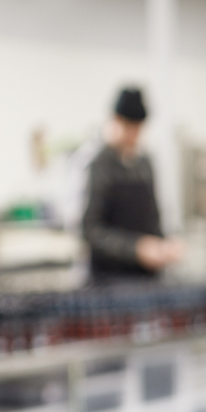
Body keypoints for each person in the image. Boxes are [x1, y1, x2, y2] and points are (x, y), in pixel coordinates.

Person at [82, 86, 182, 281]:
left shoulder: (145, 164)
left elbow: (153, 217)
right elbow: (90, 231)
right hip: (109, 280)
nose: (134, 135)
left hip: (146, 279)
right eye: (130, 127)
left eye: (139, 128)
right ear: (116, 121)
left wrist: (166, 244)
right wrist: (135, 249)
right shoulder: (100, 165)